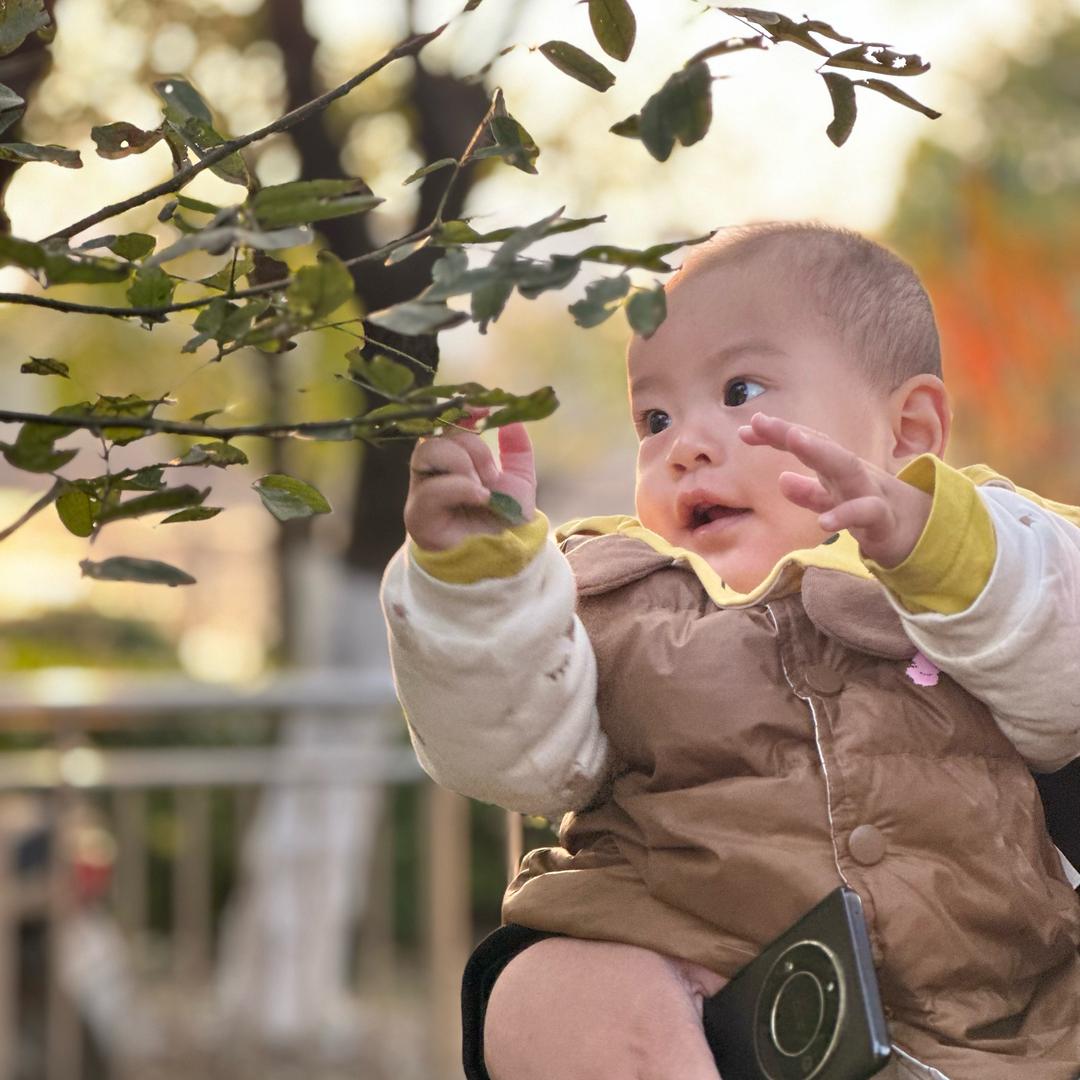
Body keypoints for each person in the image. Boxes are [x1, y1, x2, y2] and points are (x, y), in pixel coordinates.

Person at [380, 222, 1080, 1080]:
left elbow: (1062, 679)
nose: (686, 445)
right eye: (656, 417)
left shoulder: (985, 554)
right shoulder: (608, 590)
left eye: (741, 390)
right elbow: (515, 758)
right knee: (549, 988)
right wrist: (479, 587)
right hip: (681, 970)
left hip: (982, 1019)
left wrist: (940, 549)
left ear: (907, 431)